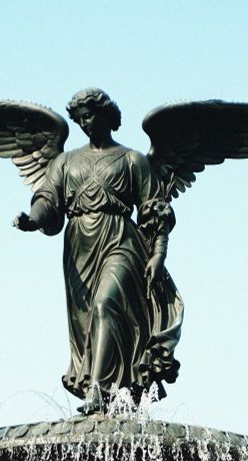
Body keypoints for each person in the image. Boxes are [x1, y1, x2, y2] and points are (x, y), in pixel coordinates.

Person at [13, 88, 183, 414]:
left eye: (88, 116)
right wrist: (33, 220)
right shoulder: (65, 161)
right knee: (89, 321)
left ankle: (99, 389)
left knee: (106, 304)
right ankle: (101, 386)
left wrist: (159, 253)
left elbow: (154, 211)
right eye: (78, 120)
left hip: (120, 241)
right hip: (79, 249)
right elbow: (48, 199)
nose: (84, 124)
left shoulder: (133, 160)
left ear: (105, 114)